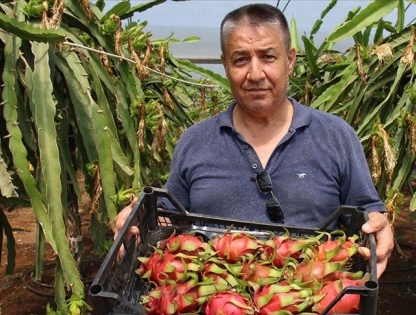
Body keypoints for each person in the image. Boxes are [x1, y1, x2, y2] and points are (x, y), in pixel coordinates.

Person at [115, 3, 393, 275]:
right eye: (241, 59)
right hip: (212, 298)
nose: (255, 74)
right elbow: (167, 216)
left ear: (290, 60)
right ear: (225, 65)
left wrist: (379, 225)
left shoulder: (335, 135)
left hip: (315, 295)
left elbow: (365, 211)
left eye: (268, 57)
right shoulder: (195, 141)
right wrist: (135, 222)